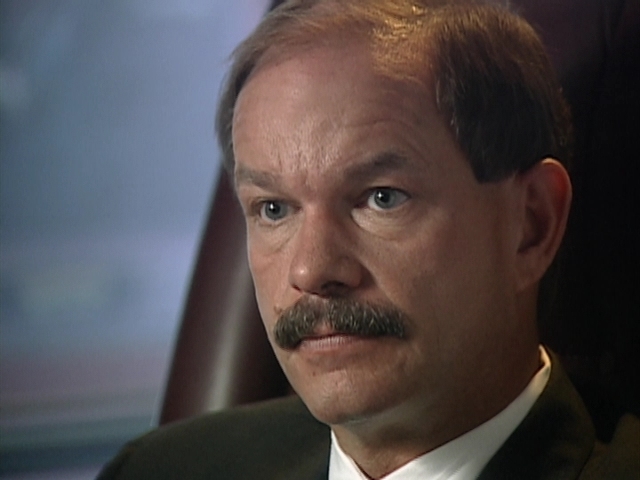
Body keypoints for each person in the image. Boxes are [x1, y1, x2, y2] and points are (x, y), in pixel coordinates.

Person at [98, 1, 639, 478]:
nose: (310, 270)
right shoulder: (157, 471)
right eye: (273, 209)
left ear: (531, 225)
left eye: (381, 198)